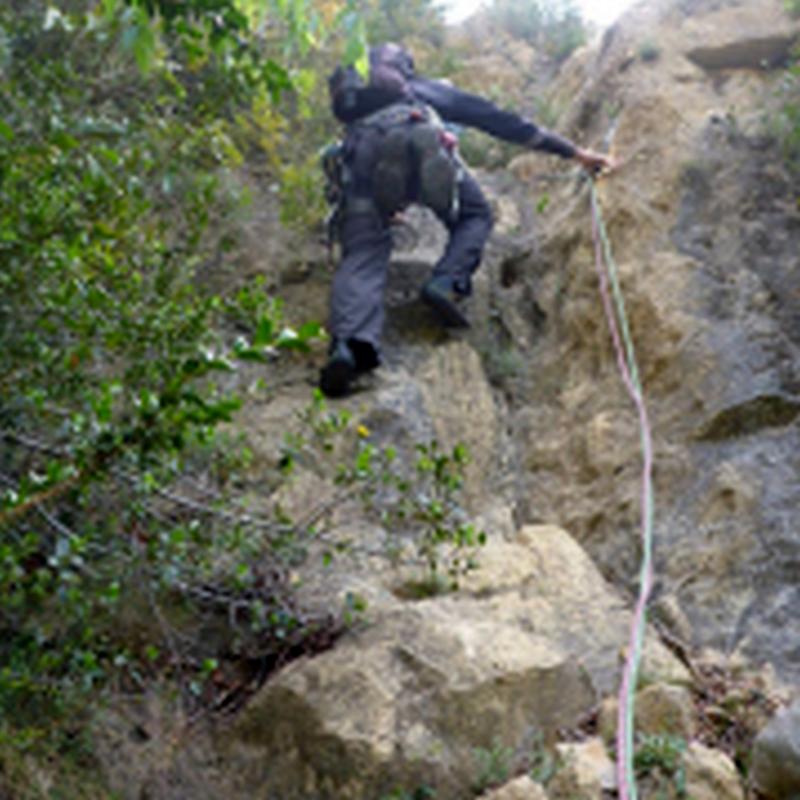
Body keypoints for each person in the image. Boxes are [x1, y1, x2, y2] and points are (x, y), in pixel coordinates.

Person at [320, 42, 615, 398]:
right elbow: (501, 121)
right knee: (475, 214)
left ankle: (348, 348)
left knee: (362, 252)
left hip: (362, 154)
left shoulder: (355, 100)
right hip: (418, 139)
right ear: (405, 67)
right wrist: (576, 153)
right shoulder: (425, 89)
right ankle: (445, 282)